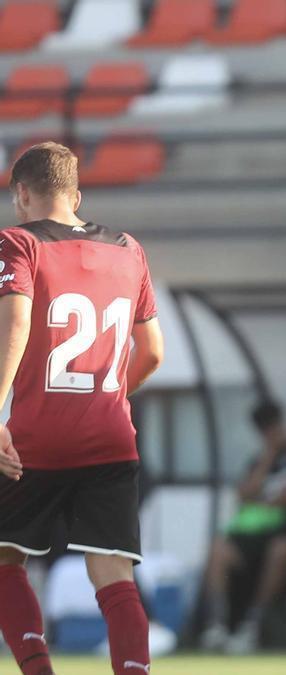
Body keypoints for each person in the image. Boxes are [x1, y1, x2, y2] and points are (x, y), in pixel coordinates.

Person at [0, 142, 165, 675]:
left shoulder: (17, 244)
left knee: (4, 560)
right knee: (115, 578)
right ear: (76, 194)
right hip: (111, 436)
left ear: (21, 192)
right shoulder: (128, 248)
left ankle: (37, 668)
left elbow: (17, 323)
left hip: (35, 437)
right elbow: (154, 351)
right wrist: (110, 397)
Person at [199, 400, 286, 653]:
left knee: (281, 550)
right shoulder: (261, 460)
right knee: (219, 549)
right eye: (266, 430)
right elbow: (244, 494)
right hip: (255, 531)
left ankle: (253, 623)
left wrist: (266, 500)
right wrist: (269, 456)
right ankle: (217, 624)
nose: (273, 433)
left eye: (275, 426)